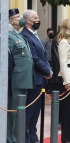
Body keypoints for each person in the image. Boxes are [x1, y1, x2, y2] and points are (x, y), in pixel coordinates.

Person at [21, 9, 53, 143]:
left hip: (41, 79)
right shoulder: (25, 35)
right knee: (29, 112)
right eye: (35, 17)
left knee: (35, 113)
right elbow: (34, 58)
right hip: (34, 78)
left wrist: (48, 69)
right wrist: (47, 71)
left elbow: (43, 56)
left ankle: (33, 136)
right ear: (28, 20)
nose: (38, 20)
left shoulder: (34, 35)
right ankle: (27, 138)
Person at [7, 8, 35, 143]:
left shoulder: (18, 35)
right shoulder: (9, 35)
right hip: (16, 79)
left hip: (24, 78)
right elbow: (8, 59)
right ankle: (10, 139)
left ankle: (17, 138)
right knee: (12, 112)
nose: (21, 19)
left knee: (19, 112)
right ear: (11, 21)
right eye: (17, 17)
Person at [42, 28, 54, 93]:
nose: (51, 34)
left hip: (51, 60)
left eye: (52, 33)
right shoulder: (45, 41)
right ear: (47, 33)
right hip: (47, 60)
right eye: (50, 33)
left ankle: (49, 88)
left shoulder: (52, 41)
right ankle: (46, 88)